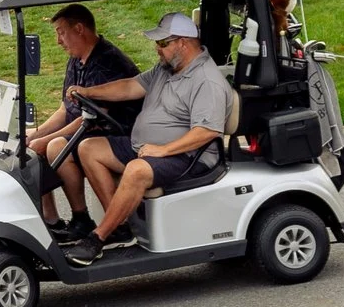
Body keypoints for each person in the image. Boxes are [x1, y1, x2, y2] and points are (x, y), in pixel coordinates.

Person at [65, 13, 233, 265]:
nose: (157, 49)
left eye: (163, 44)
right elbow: (130, 87)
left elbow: (206, 132)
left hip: (187, 156)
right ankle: (120, 229)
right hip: (149, 150)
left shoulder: (206, 81)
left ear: (183, 43)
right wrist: (88, 91)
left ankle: (98, 237)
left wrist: (163, 150)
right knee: (89, 148)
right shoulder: (166, 69)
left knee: (135, 170)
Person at [23, 4, 141, 244]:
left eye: (61, 32)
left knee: (54, 146)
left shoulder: (108, 63)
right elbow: (66, 109)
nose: (58, 41)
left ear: (79, 29)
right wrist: (35, 135)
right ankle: (51, 220)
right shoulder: (77, 60)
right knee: (32, 142)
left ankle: (83, 219)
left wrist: (44, 140)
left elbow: (89, 118)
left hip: (120, 134)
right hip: (94, 131)